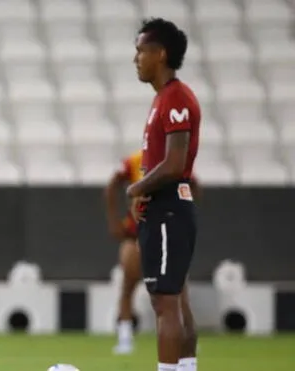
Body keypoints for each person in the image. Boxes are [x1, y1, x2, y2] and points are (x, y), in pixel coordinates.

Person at [125, 18, 201, 371]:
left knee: (165, 303)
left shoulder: (176, 98)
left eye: (141, 50)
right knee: (176, 300)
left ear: (161, 53)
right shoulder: (164, 98)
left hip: (169, 210)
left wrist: (137, 188)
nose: (136, 57)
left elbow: (175, 163)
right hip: (167, 208)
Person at [105, 149, 201, 356]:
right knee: (128, 285)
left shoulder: (174, 162)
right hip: (137, 233)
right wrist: (114, 220)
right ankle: (125, 338)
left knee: (179, 289)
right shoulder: (136, 160)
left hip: (166, 230)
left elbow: (193, 183)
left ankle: (184, 339)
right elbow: (113, 183)